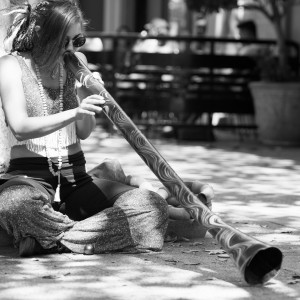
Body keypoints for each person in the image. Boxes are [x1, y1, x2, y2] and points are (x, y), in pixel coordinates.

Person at [0, 1, 213, 257]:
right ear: (43, 35)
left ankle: (49, 240)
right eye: (63, 41)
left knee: (151, 206)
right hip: (29, 179)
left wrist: (83, 94)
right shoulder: (11, 66)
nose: (70, 49)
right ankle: (81, 235)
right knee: (12, 205)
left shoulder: (76, 61)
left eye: (77, 41)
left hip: (76, 180)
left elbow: (83, 132)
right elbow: (21, 128)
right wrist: (74, 111)